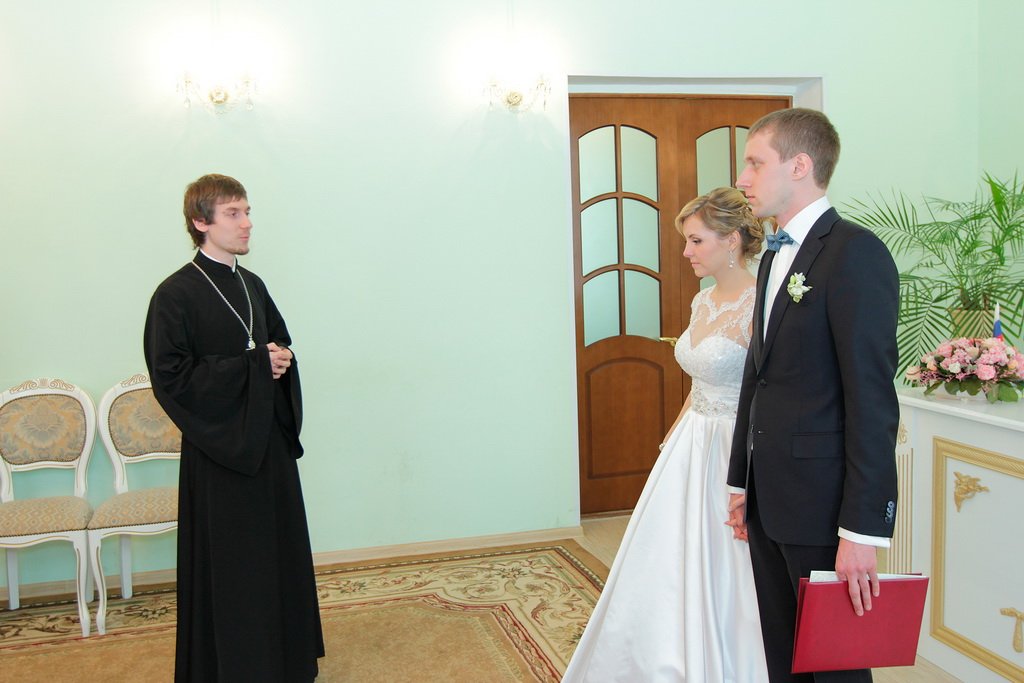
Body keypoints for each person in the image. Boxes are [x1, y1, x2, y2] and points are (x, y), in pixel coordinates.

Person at [563, 187, 768, 682]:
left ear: (732, 240)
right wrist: (669, 442)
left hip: (733, 445)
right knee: (666, 558)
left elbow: (768, 391)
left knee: (729, 560)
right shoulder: (702, 301)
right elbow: (698, 386)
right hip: (690, 442)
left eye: (696, 241)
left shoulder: (762, 304)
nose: (685, 252)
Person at [727, 108, 900, 682]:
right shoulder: (774, 255)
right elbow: (758, 376)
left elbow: (872, 401)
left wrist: (861, 531)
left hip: (824, 507)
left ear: (800, 165)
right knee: (783, 657)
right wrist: (741, 479)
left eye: (755, 163)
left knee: (834, 668)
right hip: (770, 498)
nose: (743, 178)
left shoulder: (855, 253)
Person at [144, 174, 324, 682]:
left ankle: (284, 664)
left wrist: (280, 358)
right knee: (233, 567)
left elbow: (278, 342)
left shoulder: (253, 285)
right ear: (200, 221)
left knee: (275, 556)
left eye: (247, 212)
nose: (246, 224)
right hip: (219, 452)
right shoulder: (174, 294)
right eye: (233, 214)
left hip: (268, 446)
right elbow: (171, 377)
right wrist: (252, 366)